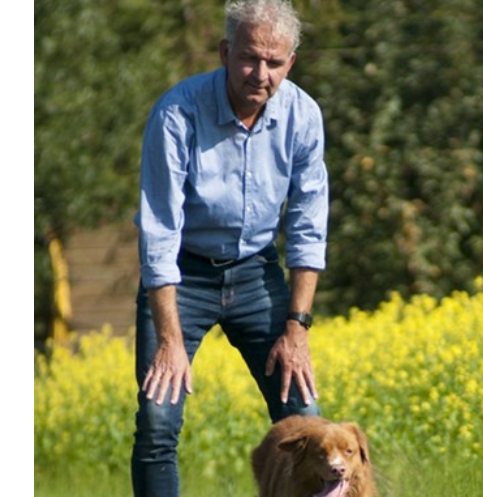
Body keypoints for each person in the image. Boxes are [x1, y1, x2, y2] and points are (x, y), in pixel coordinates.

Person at [130, 1, 328, 495]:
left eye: (274, 62)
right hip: (181, 278)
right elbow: (159, 231)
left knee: (306, 421)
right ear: (225, 52)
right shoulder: (177, 112)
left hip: (257, 276)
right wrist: (171, 341)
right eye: (249, 58)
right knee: (158, 421)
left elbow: (308, 225)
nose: (260, 74)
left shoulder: (303, 116)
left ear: (290, 63)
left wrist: (296, 327)